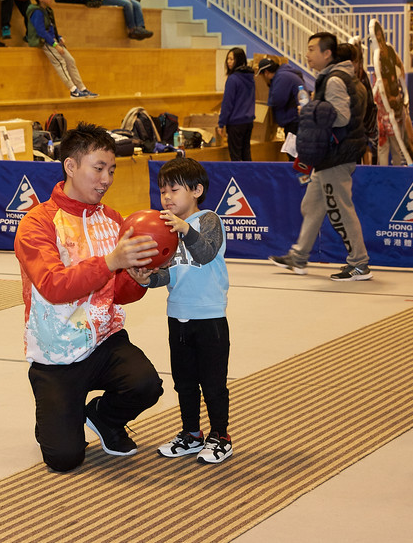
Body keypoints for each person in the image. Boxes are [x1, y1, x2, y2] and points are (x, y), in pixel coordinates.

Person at [13, 122, 164, 472]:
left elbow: (118, 294)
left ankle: (103, 416)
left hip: (104, 340)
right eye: (98, 168)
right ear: (71, 166)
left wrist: (137, 279)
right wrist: (112, 261)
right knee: (64, 459)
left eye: (111, 170)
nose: (106, 178)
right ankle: (57, 408)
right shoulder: (38, 222)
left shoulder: (113, 220)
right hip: (56, 355)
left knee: (147, 385)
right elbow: (53, 286)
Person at [147, 157, 233, 464]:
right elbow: (172, 270)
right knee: (183, 381)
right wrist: (148, 278)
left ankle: (221, 435)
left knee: (212, 382)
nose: (167, 197)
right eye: (162, 191)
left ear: (196, 190)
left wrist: (185, 229)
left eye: (174, 189)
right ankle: (191, 434)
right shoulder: (170, 229)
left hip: (209, 317)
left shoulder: (208, 220)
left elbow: (206, 253)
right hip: (178, 315)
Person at [269, 32, 372, 281]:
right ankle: (299, 256)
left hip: (336, 157)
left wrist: (311, 110)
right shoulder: (339, 77)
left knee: (341, 209)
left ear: (327, 53)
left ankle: (359, 264)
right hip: (331, 156)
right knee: (312, 205)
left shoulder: (335, 80)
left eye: (313, 49)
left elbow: (342, 117)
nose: (308, 54)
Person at [27, 0, 97, 99]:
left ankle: (82, 88)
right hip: (43, 42)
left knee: (70, 61)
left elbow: (51, 27)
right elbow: (41, 31)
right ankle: (73, 90)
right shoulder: (36, 12)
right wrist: (55, 44)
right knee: (60, 62)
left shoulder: (48, 10)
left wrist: (58, 37)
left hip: (52, 40)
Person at [372, 22, 413, 165]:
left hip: (394, 99)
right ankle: (384, 173)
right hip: (384, 101)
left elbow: (400, 66)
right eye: (376, 37)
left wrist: (398, 86)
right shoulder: (376, 55)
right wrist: (388, 96)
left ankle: (397, 170)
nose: (379, 39)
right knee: (384, 143)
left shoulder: (389, 49)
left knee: (397, 142)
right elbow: (381, 78)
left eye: (380, 36)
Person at [217, 47, 255, 161]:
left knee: (236, 157)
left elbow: (227, 103)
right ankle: (250, 178)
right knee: (246, 154)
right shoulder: (250, 77)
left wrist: (221, 123)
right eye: (228, 59)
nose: (229, 62)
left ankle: (238, 179)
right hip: (248, 121)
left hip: (236, 123)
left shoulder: (233, 79)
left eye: (232, 59)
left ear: (238, 60)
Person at [257, 56, 303, 137]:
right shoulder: (283, 74)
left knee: (291, 148)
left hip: (293, 120)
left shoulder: (281, 77)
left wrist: (269, 104)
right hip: (296, 118)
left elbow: (277, 100)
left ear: (266, 72)